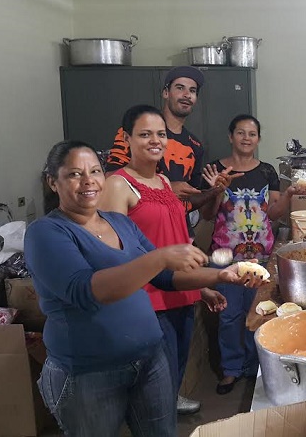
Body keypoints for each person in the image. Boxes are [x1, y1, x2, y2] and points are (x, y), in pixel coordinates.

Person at [25, 140, 267, 436]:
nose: (88, 181)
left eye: (95, 171)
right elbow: (86, 290)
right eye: (75, 174)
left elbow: (165, 277)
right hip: (88, 371)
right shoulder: (46, 232)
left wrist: (221, 276)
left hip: (150, 359)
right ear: (53, 181)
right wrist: (160, 256)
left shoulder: (119, 223)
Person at [97, 105, 238, 414]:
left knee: (172, 377)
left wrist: (200, 289)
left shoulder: (163, 182)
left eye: (160, 134)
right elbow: (111, 255)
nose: (155, 140)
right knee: (152, 390)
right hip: (148, 301)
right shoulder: (118, 184)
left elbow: (173, 241)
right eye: (144, 134)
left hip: (180, 295)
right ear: (127, 139)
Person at [200, 114, 306, 394]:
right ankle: (231, 370)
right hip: (226, 255)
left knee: (259, 313)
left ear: (258, 139)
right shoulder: (215, 169)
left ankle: (255, 367)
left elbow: (272, 213)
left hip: (261, 255)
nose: (246, 138)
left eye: (252, 134)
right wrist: (216, 190)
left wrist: (288, 195)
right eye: (241, 133)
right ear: (230, 136)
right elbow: (207, 214)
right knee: (229, 315)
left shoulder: (267, 171)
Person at [105, 66, 219, 214]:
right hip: (140, 228)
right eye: (180, 88)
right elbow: (110, 178)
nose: (186, 95)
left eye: (192, 91)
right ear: (166, 93)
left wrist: (215, 190)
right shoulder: (136, 130)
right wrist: (167, 187)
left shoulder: (194, 145)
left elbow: (189, 200)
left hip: (179, 231)